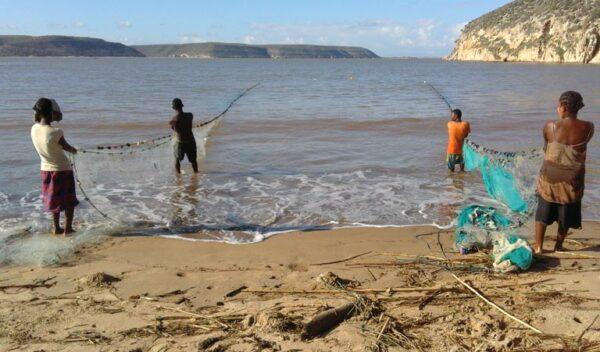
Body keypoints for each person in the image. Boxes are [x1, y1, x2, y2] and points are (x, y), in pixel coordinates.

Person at [534, 91, 594, 254]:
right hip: (572, 179)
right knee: (567, 213)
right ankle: (558, 246)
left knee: (543, 211)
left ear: (564, 107)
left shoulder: (549, 126)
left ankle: (538, 246)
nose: (557, 108)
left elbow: (546, 148)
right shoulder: (589, 127)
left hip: (549, 177)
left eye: (559, 105)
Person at [30, 98, 79, 235]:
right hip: (62, 170)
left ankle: (56, 228)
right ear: (51, 112)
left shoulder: (34, 129)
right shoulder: (56, 132)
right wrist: (76, 150)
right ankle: (68, 229)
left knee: (54, 200)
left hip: (45, 170)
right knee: (69, 202)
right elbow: (68, 148)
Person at [169, 98, 198, 174]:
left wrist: (172, 125)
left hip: (181, 142)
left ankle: (178, 177)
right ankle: (196, 174)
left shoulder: (174, 120)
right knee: (193, 161)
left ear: (173, 108)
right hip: (191, 141)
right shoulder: (190, 115)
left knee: (177, 160)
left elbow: (176, 131)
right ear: (182, 106)